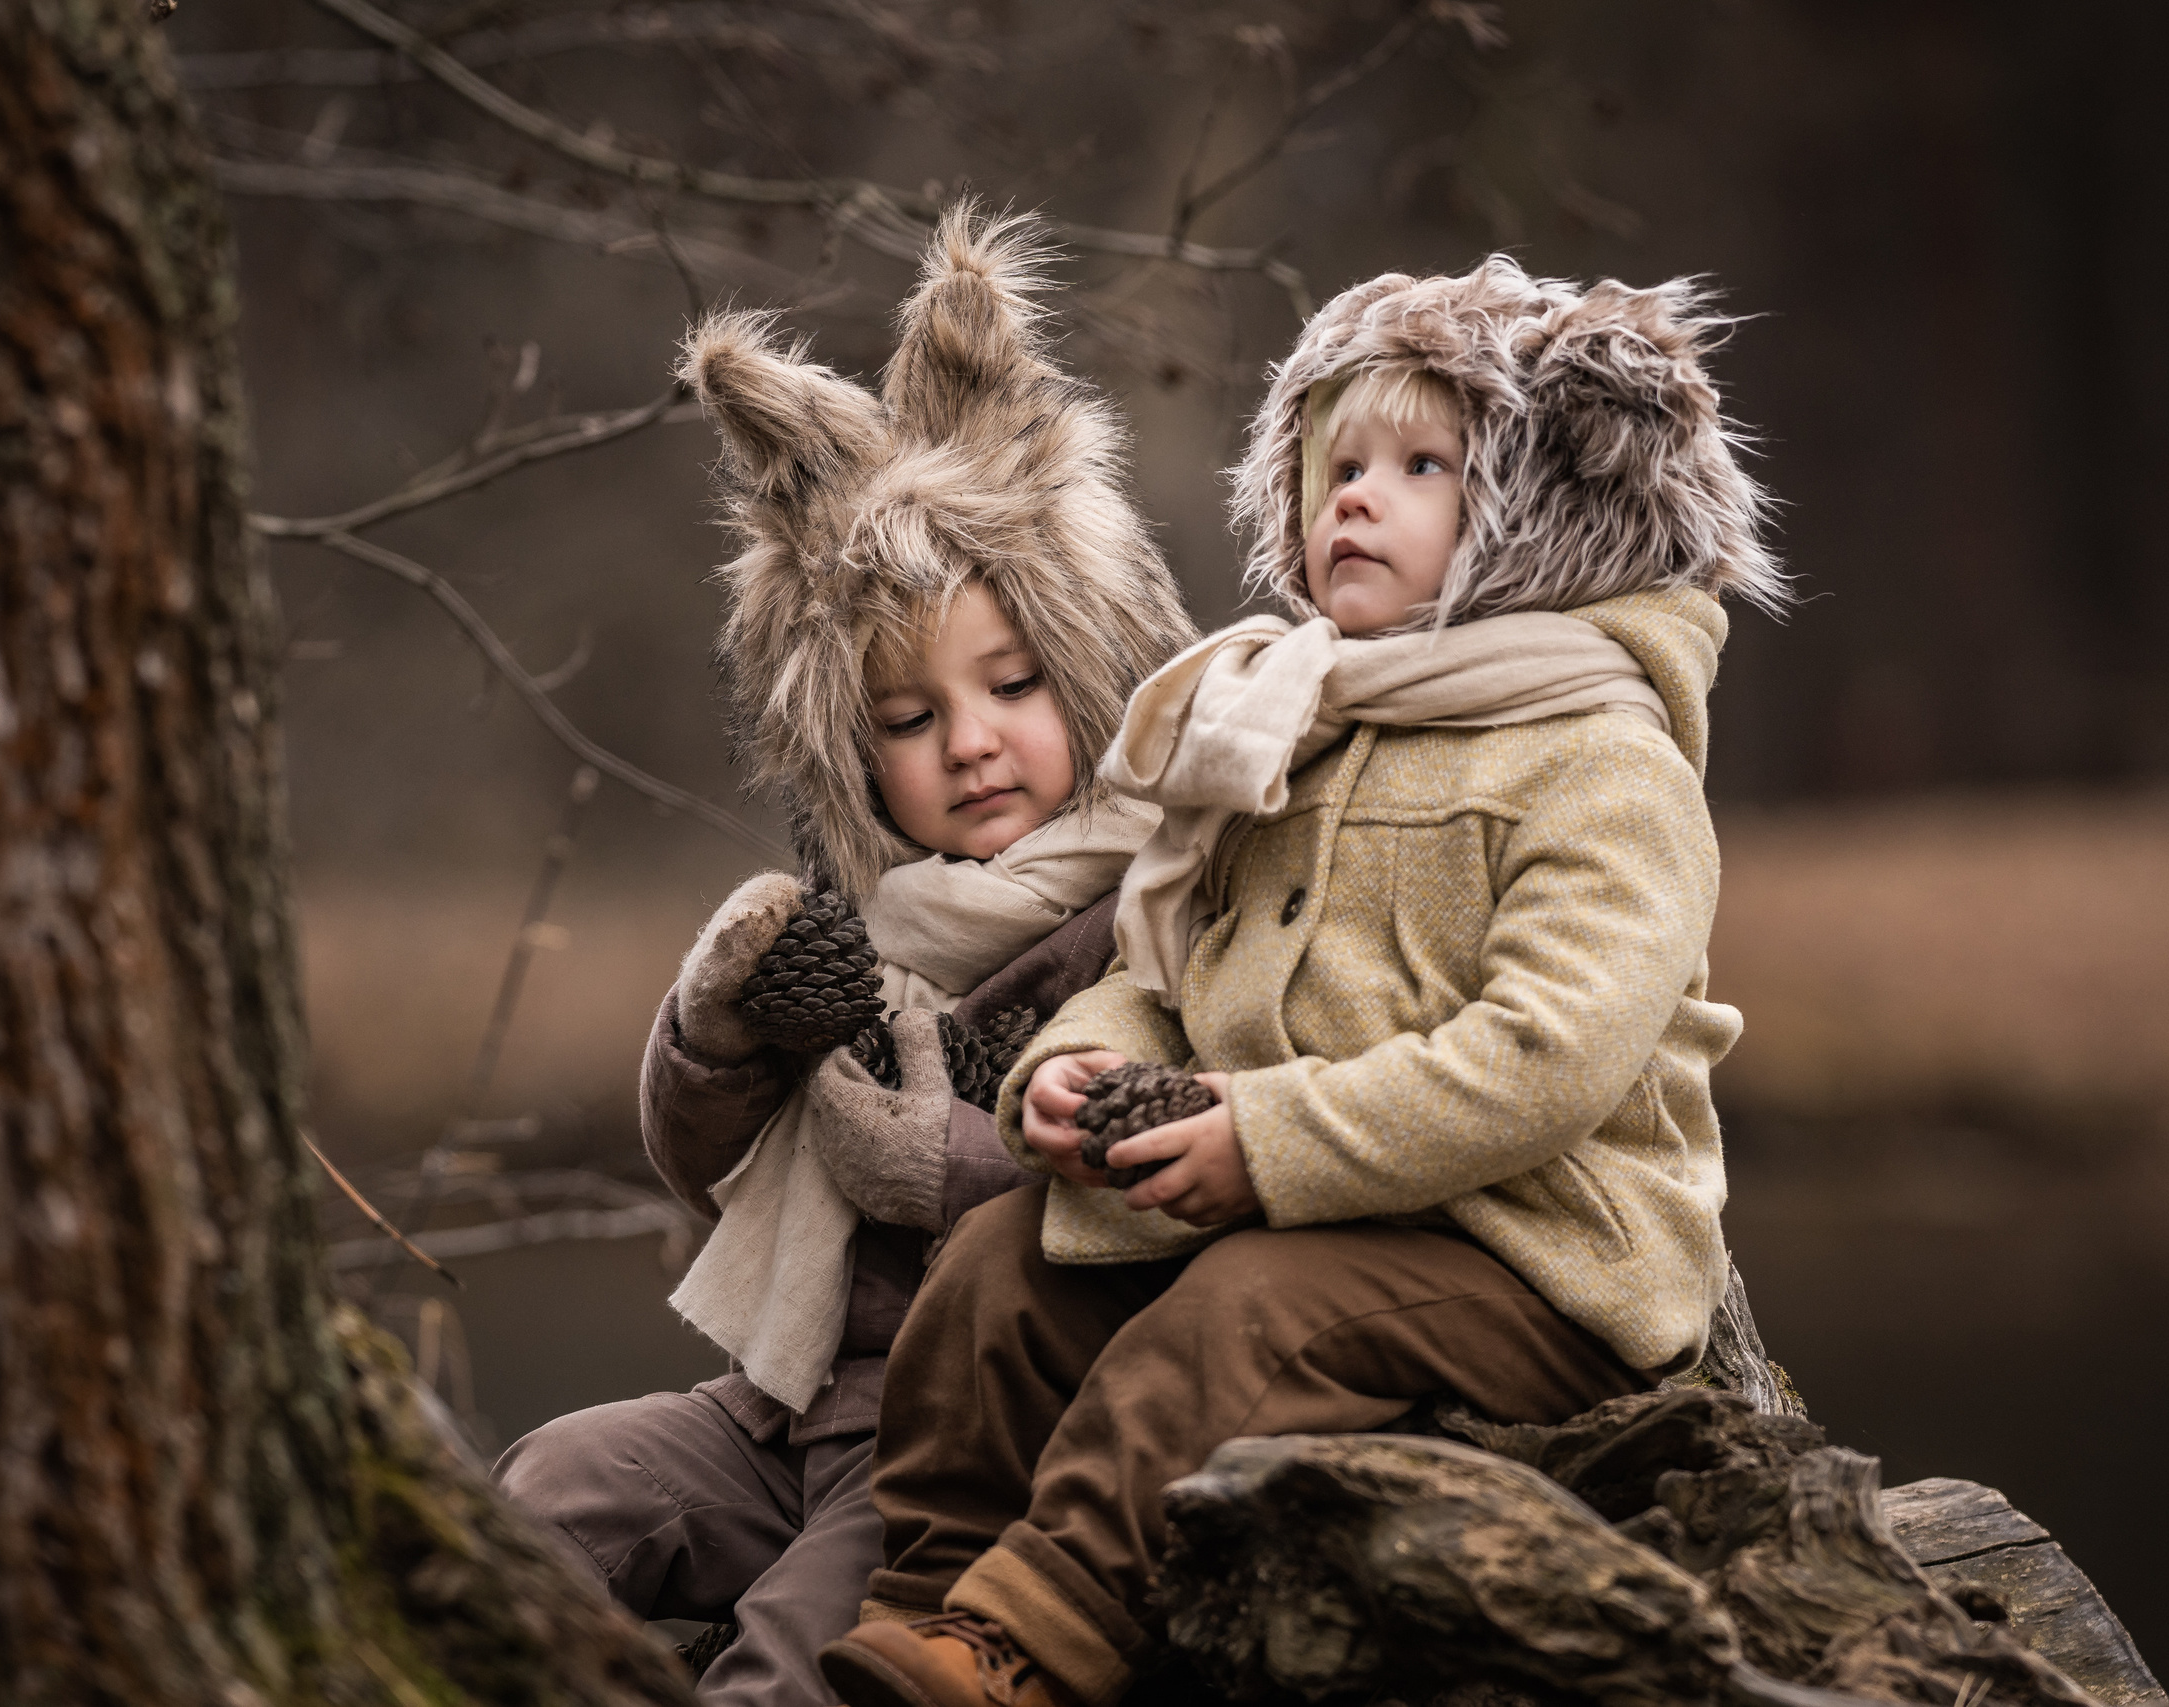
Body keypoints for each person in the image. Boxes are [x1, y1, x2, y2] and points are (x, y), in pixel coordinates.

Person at [817, 255, 1792, 1707]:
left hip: (1530, 1257)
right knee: (996, 1275)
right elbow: (1175, 966)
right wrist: (1072, 1066)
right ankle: (925, 1613)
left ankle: (1035, 1643)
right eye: (1336, 463)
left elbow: (1546, 1057)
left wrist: (1265, 1145)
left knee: (1251, 1314)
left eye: (1419, 464)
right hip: (1310, 1200)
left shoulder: (1605, 757)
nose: (1354, 496)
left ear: (1545, 511)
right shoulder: (1295, 726)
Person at [492, 207, 1197, 1707]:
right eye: (908, 720)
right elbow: (707, 1173)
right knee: (545, 1496)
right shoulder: (862, 924)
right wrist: (719, 1032)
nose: (971, 742)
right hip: (784, 1402)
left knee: (798, 1647)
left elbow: (1155, 1192)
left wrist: (938, 1162)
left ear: (1082, 668)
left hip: (961, 1442)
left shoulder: (1151, 906)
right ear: (851, 755)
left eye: (1011, 686)